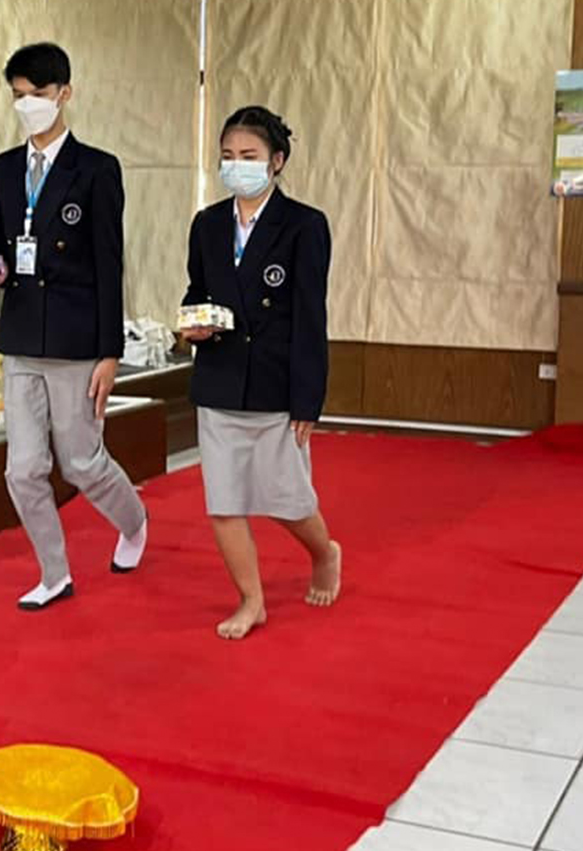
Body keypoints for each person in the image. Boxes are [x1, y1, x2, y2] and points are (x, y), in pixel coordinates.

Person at [0, 43, 148, 610]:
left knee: (80, 461)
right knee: (22, 469)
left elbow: (108, 262)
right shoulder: (2, 169)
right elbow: (1, 245)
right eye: (19, 97)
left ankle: (134, 519)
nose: (28, 107)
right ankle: (54, 573)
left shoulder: (97, 169)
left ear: (64, 94)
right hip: (23, 338)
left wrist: (109, 352)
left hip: (77, 342)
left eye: (38, 96)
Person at [180, 106, 342, 641]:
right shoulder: (206, 224)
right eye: (227, 157)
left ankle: (324, 552)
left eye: (248, 157)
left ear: (276, 161)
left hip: (276, 384)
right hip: (220, 379)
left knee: (288, 499)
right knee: (224, 501)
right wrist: (191, 325)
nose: (236, 167)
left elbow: (310, 318)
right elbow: (195, 294)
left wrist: (307, 401)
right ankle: (252, 600)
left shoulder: (304, 226)